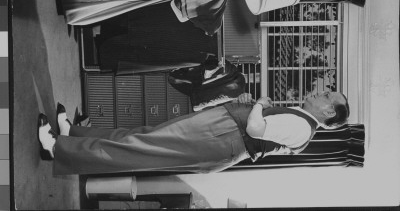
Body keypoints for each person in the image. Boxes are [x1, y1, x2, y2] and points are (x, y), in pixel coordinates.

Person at [38, 92, 350, 175]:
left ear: (328, 113)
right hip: (221, 133)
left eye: (328, 96)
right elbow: (259, 129)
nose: (321, 92)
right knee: (141, 135)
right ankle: (72, 135)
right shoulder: (301, 121)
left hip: (221, 138)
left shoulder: (301, 125)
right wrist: (249, 106)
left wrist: (257, 104)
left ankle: (57, 150)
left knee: (136, 148)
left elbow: (256, 128)